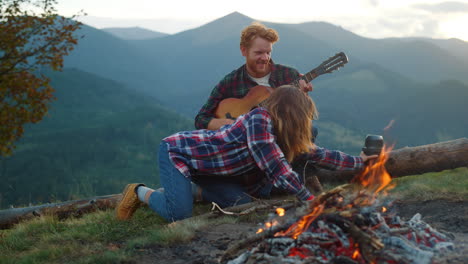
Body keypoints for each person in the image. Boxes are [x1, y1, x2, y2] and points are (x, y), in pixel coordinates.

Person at [116, 86, 378, 222]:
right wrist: (310, 201)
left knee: (242, 204)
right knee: (178, 215)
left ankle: (184, 190)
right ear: (291, 112)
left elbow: (315, 152)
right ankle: (140, 191)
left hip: (214, 170)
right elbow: (277, 168)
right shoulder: (259, 121)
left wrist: (358, 161)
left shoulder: (280, 127)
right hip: (180, 153)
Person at [194, 21, 314, 131]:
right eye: (259, 53)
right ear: (244, 51)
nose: (265, 58)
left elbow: (306, 118)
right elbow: (201, 119)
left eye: (268, 52)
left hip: (281, 135)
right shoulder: (231, 82)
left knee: (312, 131)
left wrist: (303, 96)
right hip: (243, 141)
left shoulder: (288, 75)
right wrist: (227, 124)